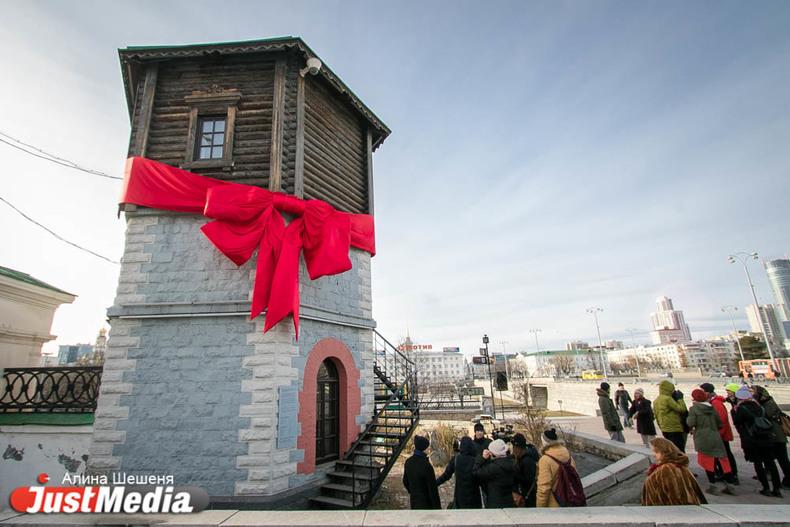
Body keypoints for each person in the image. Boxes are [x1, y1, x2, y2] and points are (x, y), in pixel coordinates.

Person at [732, 387, 783, 497]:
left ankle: (766, 487)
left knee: (758, 464)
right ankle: (777, 489)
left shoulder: (740, 409)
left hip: (752, 440)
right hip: (766, 438)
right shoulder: (759, 407)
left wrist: (734, 409)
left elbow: (737, 422)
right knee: (771, 463)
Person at [687, 389, 735, 495]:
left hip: (703, 437)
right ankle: (730, 485)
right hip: (716, 436)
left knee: (707, 462)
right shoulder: (711, 407)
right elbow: (719, 423)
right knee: (723, 461)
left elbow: (690, 422)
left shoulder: (694, 409)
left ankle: (713, 486)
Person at [641, 437, 707, 506]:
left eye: (656, 452)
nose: (654, 455)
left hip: (667, 510)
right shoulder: (676, 466)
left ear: (665, 452)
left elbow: (675, 496)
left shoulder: (667, 469)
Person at [751, 385, 790, 489]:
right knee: (769, 457)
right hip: (770, 435)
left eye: (753, 392)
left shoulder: (769, 403)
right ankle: (768, 473)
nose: (751, 394)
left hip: (777, 436)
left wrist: (755, 405)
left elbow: (764, 415)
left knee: (783, 459)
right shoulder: (764, 403)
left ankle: (788, 480)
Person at [700, 382, 739, 485]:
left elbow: (722, 420)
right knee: (721, 455)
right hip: (717, 434)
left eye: (703, 391)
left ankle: (732, 475)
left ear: (707, 392)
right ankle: (724, 474)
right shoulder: (712, 402)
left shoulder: (716, 403)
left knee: (726, 455)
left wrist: (718, 434)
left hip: (720, 435)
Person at [536, 428, 578, 508]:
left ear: (544, 442)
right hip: (571, 500)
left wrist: (540, 509)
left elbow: (544, 489)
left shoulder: (545, 460)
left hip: (555, 506)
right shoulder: (568, 455)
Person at [436, 436, 482, 509]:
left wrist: (435, 483)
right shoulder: (476, 460)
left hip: (460, 495)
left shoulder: (456, 459)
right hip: (474, 495)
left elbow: (446, 475)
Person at [473, 438, 515, 508]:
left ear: (494, 454)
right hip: (509, 502)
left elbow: (475, 472)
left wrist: (482, 458)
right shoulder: (512, 463)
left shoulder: (493, 468)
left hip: (495, 503)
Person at [403, 435, 441, 509]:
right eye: (427, 447)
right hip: (426, 504)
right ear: (423, 449)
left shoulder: (408, 462)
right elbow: (432, 490)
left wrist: (413, 492)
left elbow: (405, 481)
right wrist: (437, 508)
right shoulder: (426, 466)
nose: (429, 449)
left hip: (414, 501)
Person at [654, 380, 688, 452]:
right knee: (679, 450)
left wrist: (661, 427)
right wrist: (680, 399)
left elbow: (656, 415)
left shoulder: (656, 400)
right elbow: (682, 409)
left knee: (671, 450)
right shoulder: (668, 399)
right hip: (674, 428)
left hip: (664, 429)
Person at [511, 432, 540, 507]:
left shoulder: (527, 460)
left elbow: (529, 479)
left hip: (529, 495)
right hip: (528, 494)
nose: (513, 449)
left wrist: (515, 476)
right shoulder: (525, 456)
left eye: (514, 446)